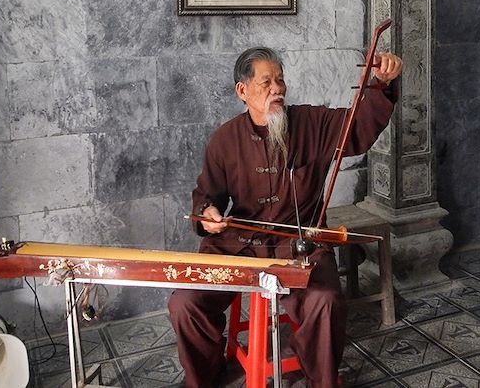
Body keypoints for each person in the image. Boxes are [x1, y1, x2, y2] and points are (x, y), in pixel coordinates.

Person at [168, 46, 403, 388]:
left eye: (280, 80)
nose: (277, 88)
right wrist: (208, 214)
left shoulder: (312, 123)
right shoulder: (224, 140)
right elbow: (208, 195)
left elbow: (357, 130)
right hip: (239, 248)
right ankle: (204, 376)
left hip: (299, 246)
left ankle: (320, 379)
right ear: (242, 91)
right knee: (184, 303)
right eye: (266, 82)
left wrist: (380, 85)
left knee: (324, 301)